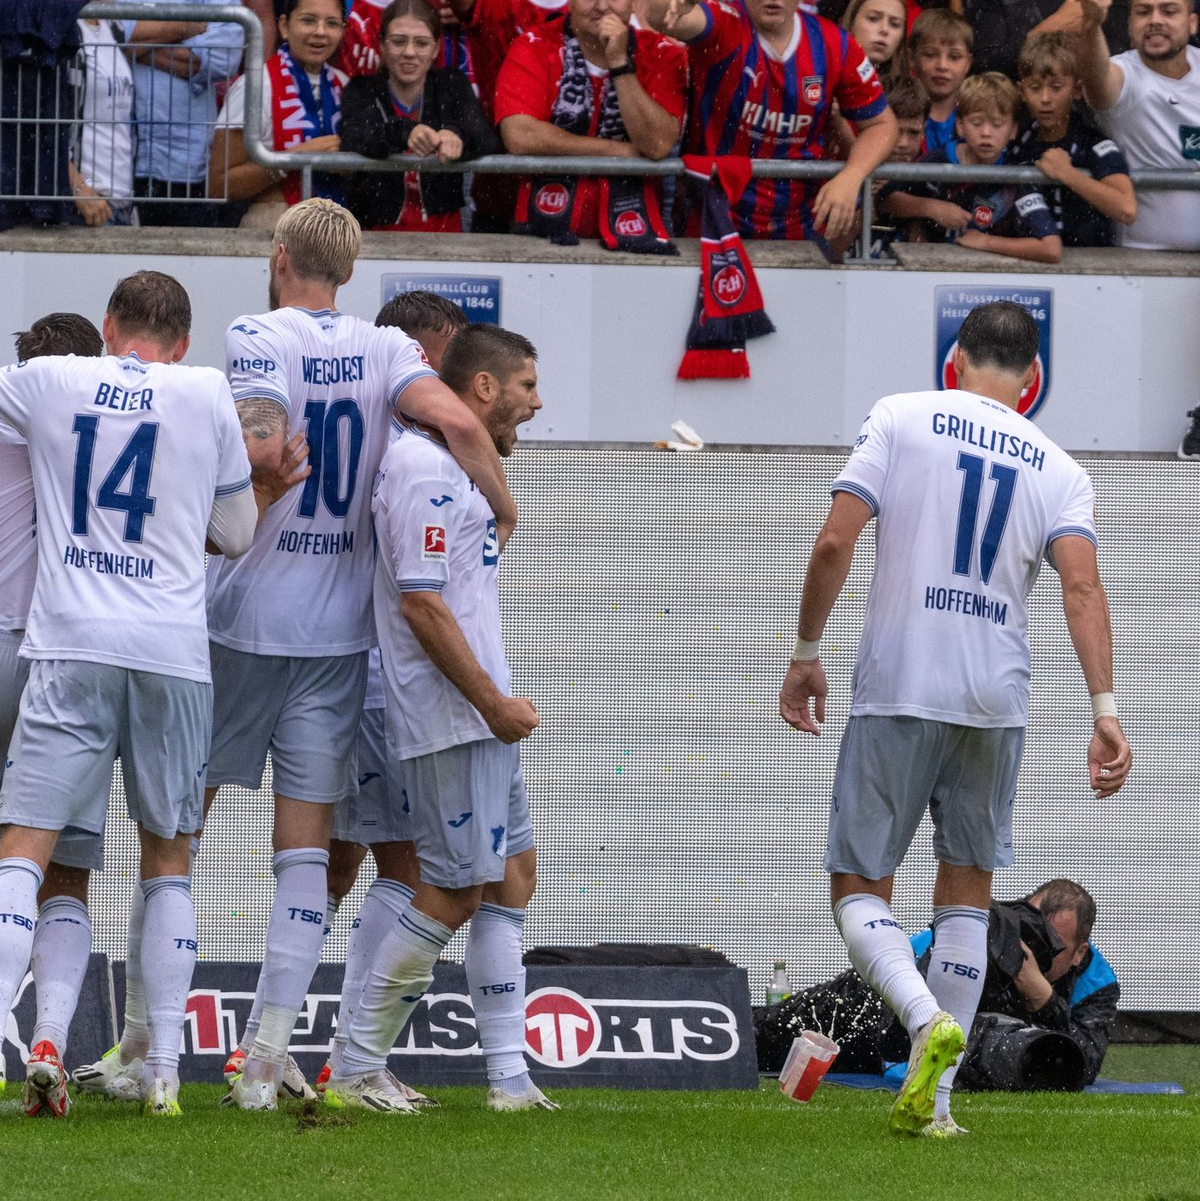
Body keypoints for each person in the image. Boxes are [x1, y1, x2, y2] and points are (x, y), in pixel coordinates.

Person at [778, 300, 1132, 1138]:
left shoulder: (901, 416)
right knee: (967, 896)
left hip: (902, 683)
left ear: (954, 361)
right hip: (996, 702)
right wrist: (1105, 711)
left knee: (860, 888)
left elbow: (835, 541)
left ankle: (921, 1019)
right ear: (1033, 380)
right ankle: (937, 1106)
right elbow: (1082, 588)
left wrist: (804, 650)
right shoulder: (1059, 466)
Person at [202, 198, 518, 1113]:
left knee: (177, 834)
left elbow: (261, 436)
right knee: (306, 854)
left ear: (281, 255)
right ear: (347, 267)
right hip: (338, 640)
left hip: (244, 620)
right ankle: (264, 1062)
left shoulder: (257, 330)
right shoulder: (386, 353)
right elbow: (460, 426)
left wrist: (260, 464)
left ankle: (150, 1053)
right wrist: (501, 502)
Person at [0, 271, 299, 1119]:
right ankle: (164, 1068)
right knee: (168, 856)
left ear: (107, 326)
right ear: (183, 341)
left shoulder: (52, 379)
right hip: (173, 652)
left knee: (23, 848)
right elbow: (237, 534)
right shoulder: (206, 391)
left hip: (71, 643)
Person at [220, 290, 469, 1101]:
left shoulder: (396, 417)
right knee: (384, 857)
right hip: (357, 663)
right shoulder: (412, 437)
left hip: (326, 648)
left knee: (340, 856)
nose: (449, 375)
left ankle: (279, 1049)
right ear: (418, 348)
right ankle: (346, 1060)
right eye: (443, 357)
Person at [326, 323, 549, 1115]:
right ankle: (353, 1067)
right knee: (450, 890)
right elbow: (421, 603)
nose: (536, 400)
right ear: (482, 388)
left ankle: (510, 1080)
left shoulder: (456, 466)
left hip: (484, 715)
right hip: (452, 717)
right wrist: (490, 701)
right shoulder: (422, 468)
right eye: (525, 384)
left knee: (511, 876)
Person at [0, 314, 104, 1110]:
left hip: (4, 638)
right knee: (61, 868)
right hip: (71, 658)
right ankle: (49, 1043)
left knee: (12, 862)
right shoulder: (116, 431)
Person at [754, 879, 1120, 1090]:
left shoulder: (1097, 981)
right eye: (1034, 936)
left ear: (1078, 953)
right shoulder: (987, 942)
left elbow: (1081, 1063)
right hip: (872, 999)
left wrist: (1036, 989)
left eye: (1053, 949)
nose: (1038, 953)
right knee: (760, 1037)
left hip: (903, 1043)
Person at [646, 0, 895, 244]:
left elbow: (882, 125)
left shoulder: (835, 43)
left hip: (800, 226)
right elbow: (662, 16)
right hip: (711, 217)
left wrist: (852, 175)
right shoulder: (724, 21)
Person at [495, 0, 686, 241]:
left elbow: (657, 144)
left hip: (637, 232)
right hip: (542, 230)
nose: (602, 6)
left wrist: (619, 63)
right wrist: (616, 152)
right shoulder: (533, 45)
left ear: (634, 4)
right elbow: (519, 136)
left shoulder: (662, 53)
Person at [340, 0, 503, 232]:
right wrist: (406, 132)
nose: (409, 52)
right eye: (398, 42)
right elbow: (356, 138)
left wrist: (455, 135)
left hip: (444, 232)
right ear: (381, 46)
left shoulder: (452, 84)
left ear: (436, 49)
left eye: (421, 43)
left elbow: (484, 138)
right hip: (375, 234)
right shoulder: (361, 89)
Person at [880, 72, 1064, 264]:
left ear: (1013, 130)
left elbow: (1051, 249)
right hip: (936, 271)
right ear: (959, 125)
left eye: (997, 124)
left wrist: (986, 242)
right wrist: (931, 208)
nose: (986, 133)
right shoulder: (938, 160)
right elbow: (885, 199)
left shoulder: (1016, 175)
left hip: (992, 276)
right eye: (976, 123)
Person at [210, 0, 349, 231]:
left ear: (342, 30)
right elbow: (218, 185)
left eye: (332, 23)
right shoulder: (255, 86)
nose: (320, 32)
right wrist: (295, 159)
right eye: (308, 20)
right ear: (284, 26)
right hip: (274, 225)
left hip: (334, 226)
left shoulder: (344, 86)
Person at [1076, 0, 1200, 250]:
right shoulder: (1125, 74)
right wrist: (1092, 26)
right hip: (1141, 263)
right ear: (1130, 25)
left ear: (1192, 23)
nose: (1155, 20)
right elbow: (1097, 78)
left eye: (1169, 11)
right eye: (1143, 12)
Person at [121, 1, 245, 227]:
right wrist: (185, 26)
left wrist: (133, 47)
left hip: (187, 169)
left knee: (189, 261)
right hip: (119, 164)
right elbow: (106, 32)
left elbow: (222, 58)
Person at [1012, 32, 1136, 246]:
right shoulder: (1018, 142)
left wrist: (1068, 174)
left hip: (1091, 268)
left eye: (1056, 87)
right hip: (1030, 265)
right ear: (1021, 91)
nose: (1045, 99)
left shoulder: (1095, 145)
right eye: (1034, 88)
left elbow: (1126, 209)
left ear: (1077, 89)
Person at [70, 5, 138, 227]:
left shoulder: (113, 27)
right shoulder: (67, 30)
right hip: (88, 202)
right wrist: (77, 187)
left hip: (121, 201)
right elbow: (42, 120)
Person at [908, 8, 973, 153]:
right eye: (930, 54)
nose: (942, 66)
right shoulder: (893, 110)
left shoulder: (977, 113)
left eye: (954, 57)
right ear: (911, 58)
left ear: (968, 63)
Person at [843, 0, 910, 87]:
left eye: (894, 24)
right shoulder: (823, 75)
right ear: (851, 22)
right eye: (873, 18)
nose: (885, 29)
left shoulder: (908, 90)